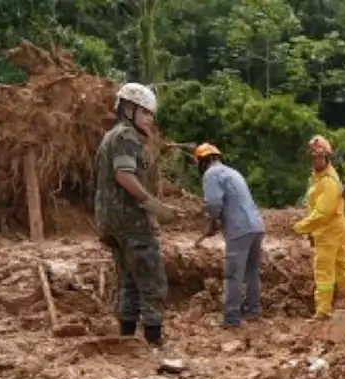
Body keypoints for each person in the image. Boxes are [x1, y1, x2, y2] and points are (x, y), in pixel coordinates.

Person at [94, 83, 179, 348]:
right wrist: (153, 205)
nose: (150, 120)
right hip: (131, 221)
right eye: (145, 113)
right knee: (151, 279)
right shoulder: (127, 137)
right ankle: (154, 341)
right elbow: (123, 175)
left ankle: (127, 339)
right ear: (129, 110)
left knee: (129, 280)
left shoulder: (109, 137)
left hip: (111, 223)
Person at [195, 143, 266, 327]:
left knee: (233, 274)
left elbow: (212, 204)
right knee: (251, 271)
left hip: (239, 229)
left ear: (202, 162)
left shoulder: (211, 175)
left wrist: (212, 220)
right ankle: (252, 311)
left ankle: (231, 317)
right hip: (256, 226)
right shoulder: (232, 172)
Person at [294, 135, 345, 319]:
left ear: (327, 158)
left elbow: (322, 214)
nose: (315, 160)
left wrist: (300, 227)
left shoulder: (328, 181)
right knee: (340, 268)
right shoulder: (318, 178)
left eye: (318, 157)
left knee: (323, 271)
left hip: (328, 231)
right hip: (330, 230)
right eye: (312, 157)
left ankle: (323, 311)